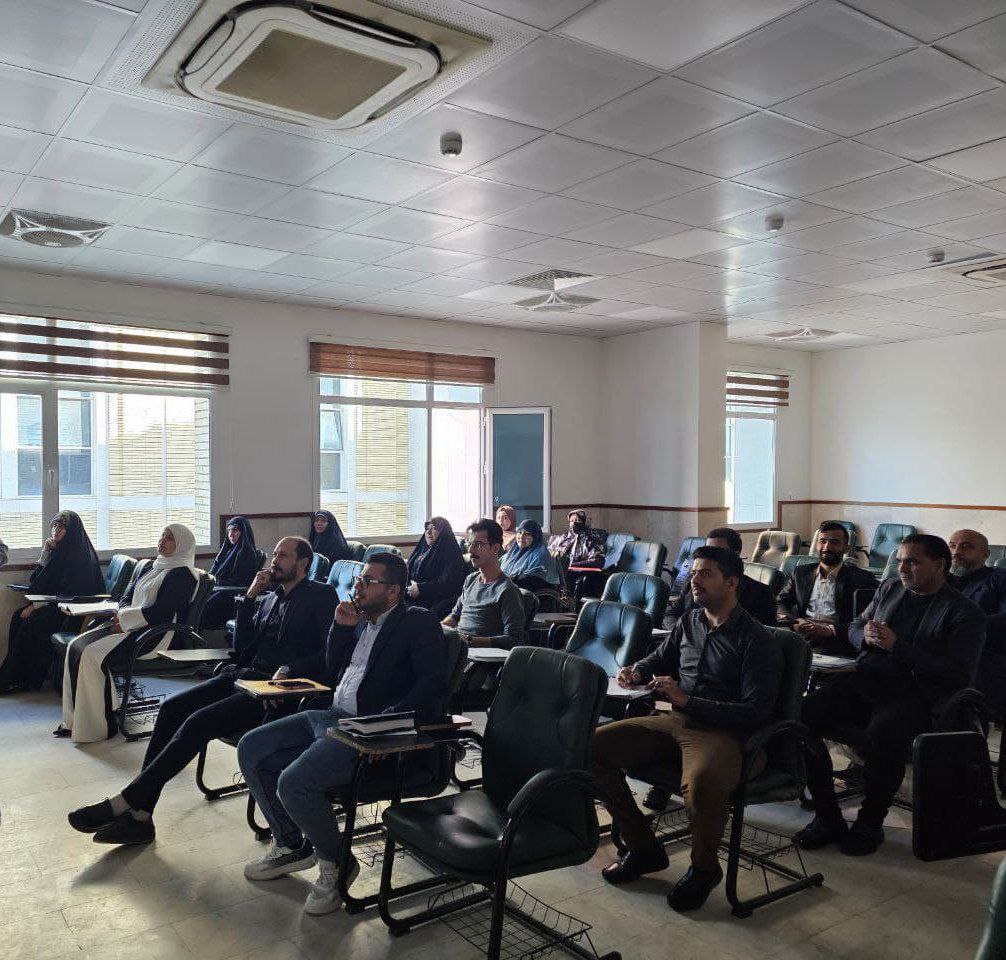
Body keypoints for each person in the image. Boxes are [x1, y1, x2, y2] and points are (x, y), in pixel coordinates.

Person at [66, 536, 337, 845]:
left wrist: (290, 668)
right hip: (245, 676)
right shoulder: (272, 598)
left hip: (277, 692)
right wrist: (250, 597)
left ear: (303, 563)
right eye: (274, 554)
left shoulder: (321, 596)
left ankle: (129, 804)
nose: (275, 560)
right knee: (171, 709)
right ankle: (141, 813)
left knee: (197, 723)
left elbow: (330, 654)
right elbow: (242, 650)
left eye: (284, 556)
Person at [236, 554, 446, 915]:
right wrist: (342, 629)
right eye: (359, 580)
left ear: (393, 591)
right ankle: (291, 844)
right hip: (332, 714)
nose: (358, 587)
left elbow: (431, 686)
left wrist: (384, 728)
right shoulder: (362, 620)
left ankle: (337, 862)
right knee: (251, 748)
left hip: (365, 728)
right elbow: (333, 669)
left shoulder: (417, 622)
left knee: (293, 782)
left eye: (368, 581)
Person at [591, 546, 783, 912]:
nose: (694, 580)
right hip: (677, 719)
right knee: (592, 747)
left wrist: (687, 700)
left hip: (723, 733)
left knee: (703, 782)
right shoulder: (691, 620)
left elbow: (756, 713)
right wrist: (637, 670)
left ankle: (704, 869)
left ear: (732, 583)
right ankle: (643, 847)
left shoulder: (756, 640)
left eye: (706, 574)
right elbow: (659, 657)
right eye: (693, 573)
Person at [796, 534, 986, 856]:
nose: (902, 568)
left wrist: (898, 647)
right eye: (899, 561)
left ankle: (870, 822)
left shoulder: (964, 612)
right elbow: (855, 626)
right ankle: (828, 816)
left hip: (917, 695)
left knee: (885, 732)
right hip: (867, 681)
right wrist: (865, 636)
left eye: (912, 562)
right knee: (802, 713)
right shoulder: (890, 588)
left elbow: (956, 674)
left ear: (939, 565)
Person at [56, 524, 199, 744]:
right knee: (76, 646)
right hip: (129, 625)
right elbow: (126, 596)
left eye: (169, 538)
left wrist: (125, 621)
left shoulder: (184, 575)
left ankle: (98, 726)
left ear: (182, 545)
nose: (162, 540)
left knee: (91, 654)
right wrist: (120, 616)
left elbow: (161, 612)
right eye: (162, 535)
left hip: (153, 635)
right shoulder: (151, 565)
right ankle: (75, 721)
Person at [0, 511, 104, 693]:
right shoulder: (60, 551)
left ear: (71, 531)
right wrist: (45, 553)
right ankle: (15, 677)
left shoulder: (79, 556)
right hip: (56, 605)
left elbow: (71, 594)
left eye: (61, 527)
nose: (56, 530)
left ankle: (25, 679)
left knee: (32, 622)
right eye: (54, 525)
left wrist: (36, 606)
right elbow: (36, 581)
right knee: (18, 617)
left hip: (71, 612)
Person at [777, 522, 879, 655]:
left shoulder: (862, 579)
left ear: (846, 548)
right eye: (823, 541)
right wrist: (795, 622)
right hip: (803, 636)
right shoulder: (801, 573)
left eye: (834, 542)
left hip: (838, 641)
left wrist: (830, 630)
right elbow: (781, 603)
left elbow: (868, 620)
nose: (827, 547)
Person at [664, 527, 776, 628]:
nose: (708, 556)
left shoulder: (760, 593)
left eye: (716, 551)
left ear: (735, 555)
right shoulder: (693, 582)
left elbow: (758, 634)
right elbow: (671, 614)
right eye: (707, 550)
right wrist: (682, 633)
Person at [442, 519, 525, 649]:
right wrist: (437, 628)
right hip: (457, 647)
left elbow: (514, 639)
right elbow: (454, 617)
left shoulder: (507, 590)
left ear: (495, 548)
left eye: (478, 544)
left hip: (479, 655)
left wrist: (469, 641)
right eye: (469, 543)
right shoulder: (471, 580)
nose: (470, 550)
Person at [948, 529, 1006, 712]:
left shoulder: (999, 578)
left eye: (966, 547)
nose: (956, 552)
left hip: (984, 655)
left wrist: (963, 628)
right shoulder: (940, 580)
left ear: (986, 554)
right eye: (952, 546)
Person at [201, 516, 261, 630]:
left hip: (231, 595)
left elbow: (240, 582)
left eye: (235, 530)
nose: (231, 534)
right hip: (219, 589)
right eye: (229, 530)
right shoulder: (227, 550)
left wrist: (216, 583)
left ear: (244, 532)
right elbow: (213, 573)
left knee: (201, 607)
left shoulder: (246, 553)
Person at [404, 517, 468, 619]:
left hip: (435, 601)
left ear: (443, 532)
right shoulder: (422, 551)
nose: (428, 532)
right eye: (427, 528)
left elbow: (450, 584)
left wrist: (421, 588)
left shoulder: (452, 554)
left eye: (434, 528)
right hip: (412, 596)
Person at [501, 519, 561, 592]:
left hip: (528, 595)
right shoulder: (512, 553)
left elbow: (532, 581)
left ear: (535, 537)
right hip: (507, 590)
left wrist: (507, 581)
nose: (521, 537)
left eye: (527, 534)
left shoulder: (540, 555)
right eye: (519, 532)